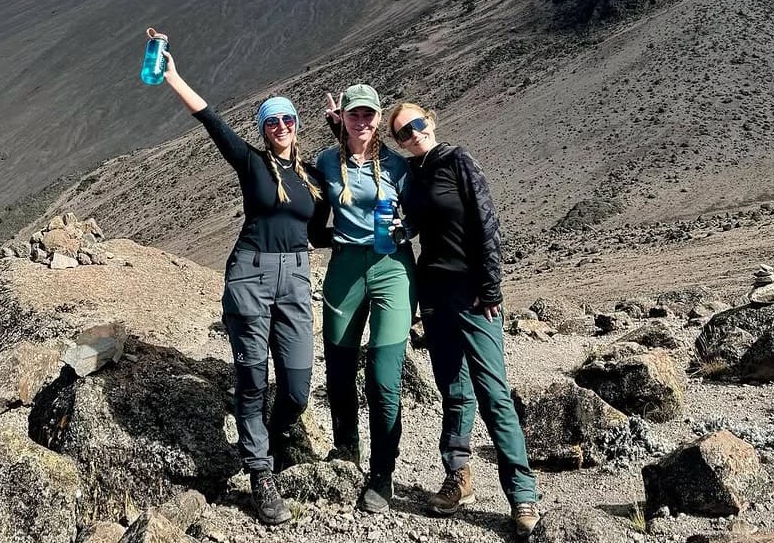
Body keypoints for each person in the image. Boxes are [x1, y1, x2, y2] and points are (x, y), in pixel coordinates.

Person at [160, 50, 327, 526]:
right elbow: (209, 119)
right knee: (252, 381)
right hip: (250, 277)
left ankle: (267, 444)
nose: (281, 126)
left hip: (296, 279)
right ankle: (260, 473)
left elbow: (318, 232)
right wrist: (174, 75)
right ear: (263, 128)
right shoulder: (251, 163)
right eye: (272, 121)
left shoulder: (311, 177)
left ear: (297, 124)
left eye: (288, 119)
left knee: (296, 389)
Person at [387, 101, 540, 538]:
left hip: (472, 293)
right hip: (434, 294)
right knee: (453, 390)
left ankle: (521, 493)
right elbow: (412, 225)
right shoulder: (412, 176)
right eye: (402, 132)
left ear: (431, 121)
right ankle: (459, 478)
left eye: (417, 124)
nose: (413, 133)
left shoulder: (458, 160)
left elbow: (486, 223)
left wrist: (491, 287)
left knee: (493, 393)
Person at [309, 83, 415, 514]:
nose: (363, 121)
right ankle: (346, 449)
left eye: (370, 114)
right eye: (355, 114)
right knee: (338, 366)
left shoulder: (398, 166)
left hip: (392, 268)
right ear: (344, 118)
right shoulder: (324, 163)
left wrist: (407, 232)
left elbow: (424, 211)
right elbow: (314, 216)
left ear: (378, 117)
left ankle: (382, 473)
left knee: (384, 376)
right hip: (345, 268)